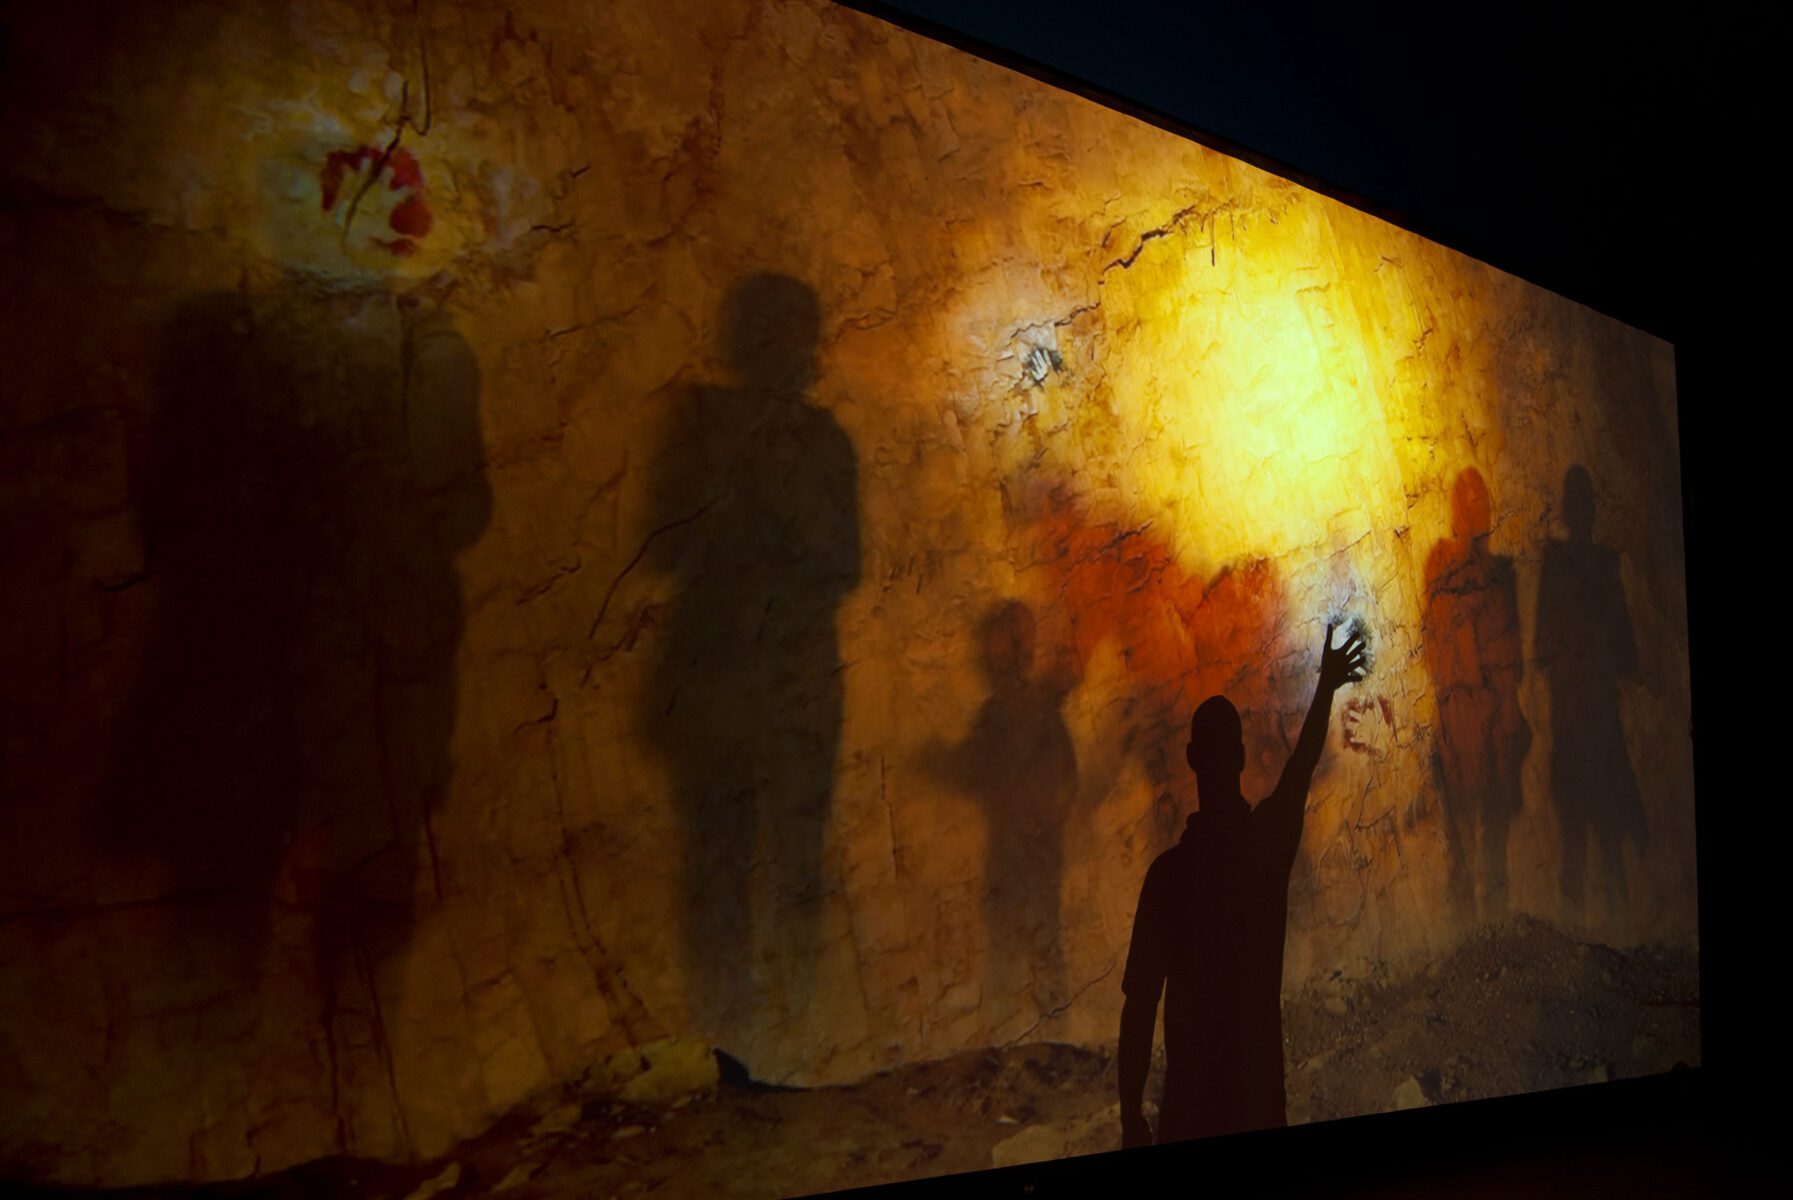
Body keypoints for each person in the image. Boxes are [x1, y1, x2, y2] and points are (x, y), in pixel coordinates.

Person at [1118, 622, 1366, 1147]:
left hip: (1189, 1117)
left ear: (1192, 759)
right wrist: (1326, 685)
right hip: (1258, 1107)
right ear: (1240, 756)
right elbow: (1300, 767)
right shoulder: (1263, 850)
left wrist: (1130, 1117)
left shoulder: (1168, 877)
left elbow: (1139, 1008)